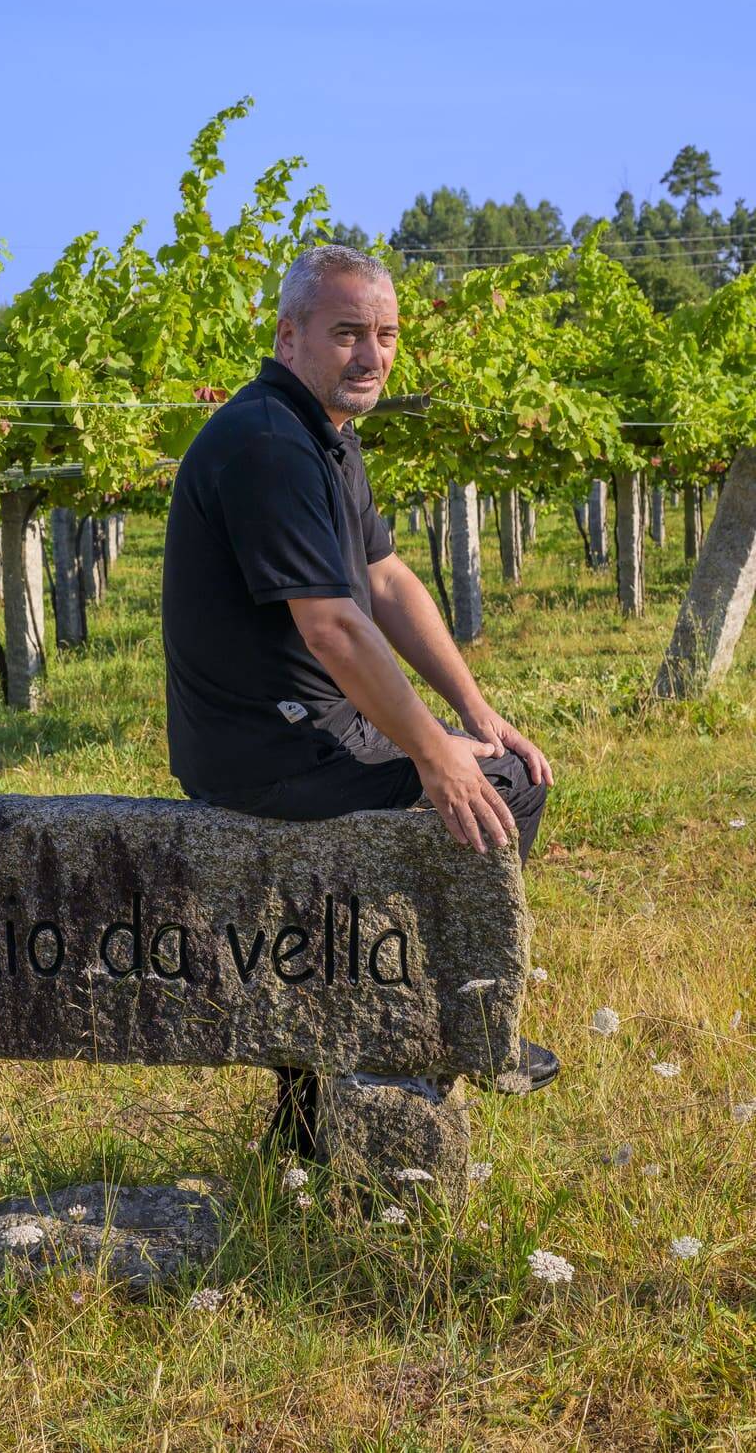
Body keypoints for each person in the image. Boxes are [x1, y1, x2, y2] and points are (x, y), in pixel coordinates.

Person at [161, 243, 558, 1145]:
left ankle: (369, 1041)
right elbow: (332, 629)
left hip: (300, 731)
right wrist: (434, 758)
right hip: (268, 750)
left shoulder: (322, 435)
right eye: (346, 334)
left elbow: (383, 581)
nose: (371, 355)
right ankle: (448, 1026)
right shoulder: (269, 444)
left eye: (383, 335)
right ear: (288, 334)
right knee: (495, 795)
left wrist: (474, 713)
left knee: (494, 766)